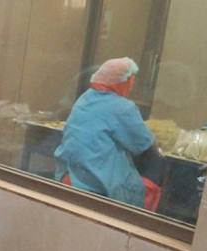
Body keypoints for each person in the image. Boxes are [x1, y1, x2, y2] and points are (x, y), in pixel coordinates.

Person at [54, 57, 162, 211]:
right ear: (126, 81)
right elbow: (144, 145)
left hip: (71, 177)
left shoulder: (84, 99)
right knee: (157, 166)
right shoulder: (123, 108)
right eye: (131, 81)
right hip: (101, 186)